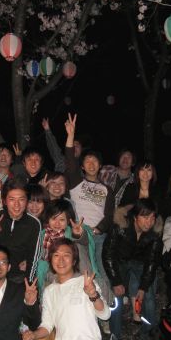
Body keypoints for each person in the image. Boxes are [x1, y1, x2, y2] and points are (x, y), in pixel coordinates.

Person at [63, 113, 114, 287]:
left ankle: (106, 302)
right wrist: (70, 135)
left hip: (98, 236)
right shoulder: (76, 182)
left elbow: (109, 215)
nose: (91, 164)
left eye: (95, 161)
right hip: (78, 233)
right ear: (83, 166)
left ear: (100, 166)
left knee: (100, 271)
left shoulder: (107, 189)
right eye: (87, 161)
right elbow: (70, 160)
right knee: (79, 272)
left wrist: (99, 229)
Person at [103, 198, 162, 338]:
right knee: (116, 298)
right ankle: (115, 336)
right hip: (120, 262)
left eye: (152, 217)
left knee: (148, 296)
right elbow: (108, 254)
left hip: (141, 263)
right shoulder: (120, 226)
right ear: (135, 217)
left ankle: (149, 334)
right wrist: (116, 281)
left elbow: (152, 261)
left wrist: (143, 287)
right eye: (145, 217)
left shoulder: (154, 232)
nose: (149, 222)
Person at [35, 200, 112, 305]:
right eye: (53, 219)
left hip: (78, 278)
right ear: (48, 219)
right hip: (52, 278)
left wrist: (78, 234)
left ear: (68, 220)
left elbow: (84, 242)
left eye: (62, 220)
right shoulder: (42, 235)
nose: (57, 223)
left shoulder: (73, 232)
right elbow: (40, 259)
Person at [0, 179, 41, 284]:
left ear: (27, 201)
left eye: (21, 199)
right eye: (12, 199)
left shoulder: (33, 223)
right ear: (4, 201)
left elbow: (33, 258)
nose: (17, 204)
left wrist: (28, 283)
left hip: (17, 278)